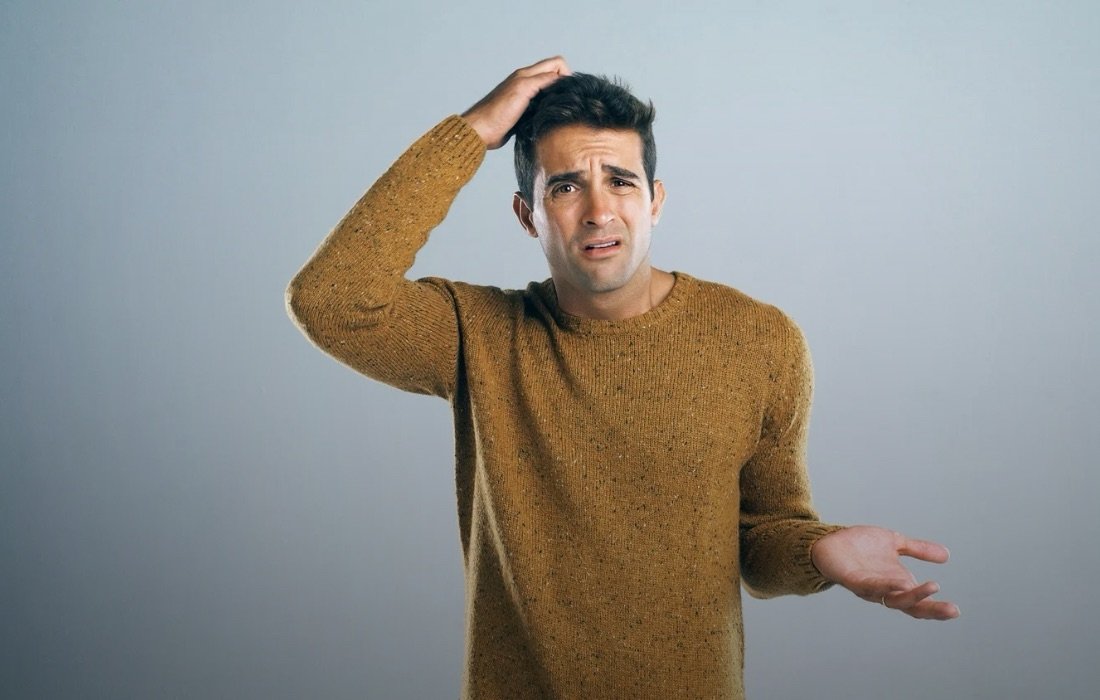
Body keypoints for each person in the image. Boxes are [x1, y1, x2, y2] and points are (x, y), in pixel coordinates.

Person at [286, 56, 959, 699]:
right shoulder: (477, 336)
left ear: (655, 200)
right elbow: (330, 299)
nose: (598, 211)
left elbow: (761, 538)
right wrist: (473, 132)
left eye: (621, 182)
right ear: (527, 215)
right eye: (565, 187)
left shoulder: (759, 340)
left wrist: (820, 551)